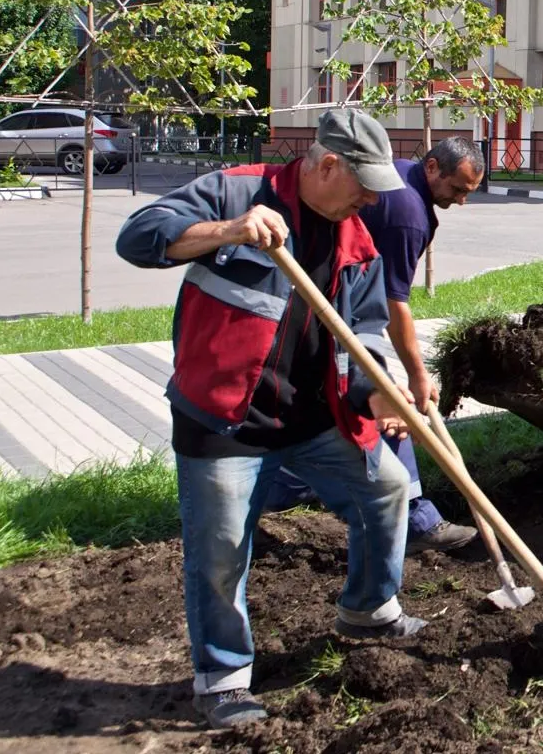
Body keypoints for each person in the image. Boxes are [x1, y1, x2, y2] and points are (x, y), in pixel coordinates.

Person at [115, 109, 427, 730]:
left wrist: (379, 393)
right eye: (362, 185)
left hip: (314, 420)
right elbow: (138, 237)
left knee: (388, 490)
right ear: (327, 164)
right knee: (222, 549)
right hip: (226, 420)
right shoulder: (238, 191)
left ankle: (367, 608)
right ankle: (224, 680)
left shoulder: (357, 240)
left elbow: (361, 337)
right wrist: (228, 230)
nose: (368, 199)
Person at [263, 138, 487, 554]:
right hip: (334, 316)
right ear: (433, 168)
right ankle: (418, 520)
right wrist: (417, 376)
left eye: (467, 194)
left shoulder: (402, 175)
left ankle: (272, 494)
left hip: (325, 309)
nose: (460, 202)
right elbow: (392, 302)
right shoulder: (408, 216)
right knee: (388, 406)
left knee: (330, 410)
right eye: (457, 190)